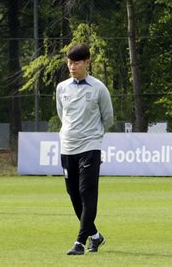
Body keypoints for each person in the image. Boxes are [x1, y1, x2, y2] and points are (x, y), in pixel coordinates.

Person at [56, 44, 114, 255]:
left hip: (90, 146)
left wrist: (93, 135)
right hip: (67, 147)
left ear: (87, 62)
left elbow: (108, 118)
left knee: (86, 192)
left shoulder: (99, 88)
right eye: (70, 62)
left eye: (77, 62)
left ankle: (80, 242)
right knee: (73, 194)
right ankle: (96, 236)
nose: (72, 66)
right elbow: (63, 115)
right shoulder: (62, 88)